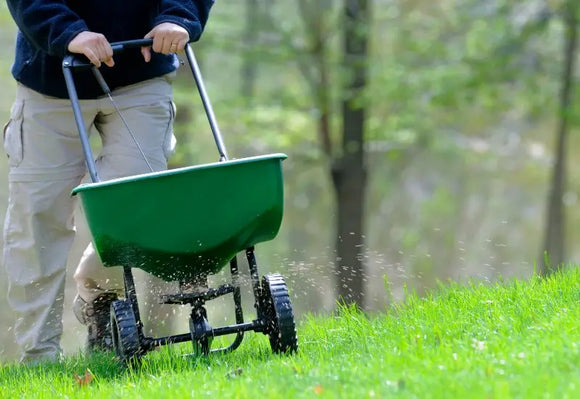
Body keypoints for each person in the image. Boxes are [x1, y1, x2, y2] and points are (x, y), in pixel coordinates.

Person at [2, 0, 215, 364]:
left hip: (140, 72)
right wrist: (68, 32)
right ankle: (38, 356)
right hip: (51, 78)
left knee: (136, 205)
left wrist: (178, 17)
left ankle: (100, 299)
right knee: (37, 217)